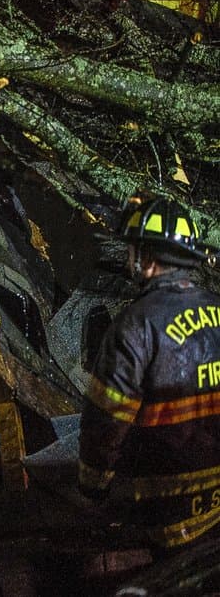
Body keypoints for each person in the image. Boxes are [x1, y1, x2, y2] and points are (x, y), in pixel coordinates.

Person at [78, 195, 220, 553]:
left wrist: (92, 488)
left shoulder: (135, 326)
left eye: (132, 250)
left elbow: (106, 423)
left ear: (146, 258)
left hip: (166, 513)